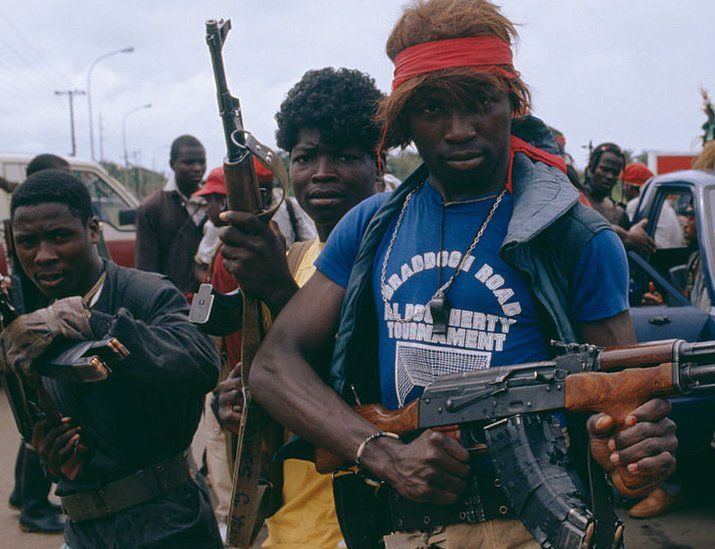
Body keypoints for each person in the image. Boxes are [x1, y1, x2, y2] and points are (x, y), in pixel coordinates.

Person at [248, 1, 678, 546]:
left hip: (533, 527)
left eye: (480, 102)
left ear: (511, 103)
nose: (459, 130)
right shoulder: (372, 226)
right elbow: (274, 365)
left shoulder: (575, 238)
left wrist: (635, 449)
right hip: (401, 527)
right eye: (431, 109)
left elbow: (620, 403)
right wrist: (381, 454)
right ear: (404, 122)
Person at [1, 170, 221, 548]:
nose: (43, 256)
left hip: (169, 528)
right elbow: (41, 428)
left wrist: (90, 323)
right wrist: (51, 449)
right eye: (27, 242)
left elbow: (199, 362)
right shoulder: (35, 323)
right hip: (86, 532)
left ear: (92, 229)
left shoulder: (146, 294)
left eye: (59, 237)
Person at [213, 66, 385, 548]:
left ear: (380, 162)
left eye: (345, 156)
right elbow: (276, 382)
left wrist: (278, 288)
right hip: (291, 525)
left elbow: (367, 381)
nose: (322, 172)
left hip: (362, 525)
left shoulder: (399, 259)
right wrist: (239, 406)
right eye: (307, 156)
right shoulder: (298, 257)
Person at [6, 154, 71, 535]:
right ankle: (33, 505)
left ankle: (22, 494)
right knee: (43, 419)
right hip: (36, 334)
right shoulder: (34, 230)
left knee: (32, 421)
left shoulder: (22, 225)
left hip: (31, 331)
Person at [135, 134, 208, 296]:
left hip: (211, 301)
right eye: (188, 162)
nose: (197, 168)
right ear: (172, 164)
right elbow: (146, 270)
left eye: (201, 162)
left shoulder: (215, 204)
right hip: (172, 304)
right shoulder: (152, 208)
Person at [583, 143, 655, 254]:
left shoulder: (619, 213)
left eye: (615, 173)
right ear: (592, 167)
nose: (610, 177)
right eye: (604, 170)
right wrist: (628, 238)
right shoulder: (574, 201)